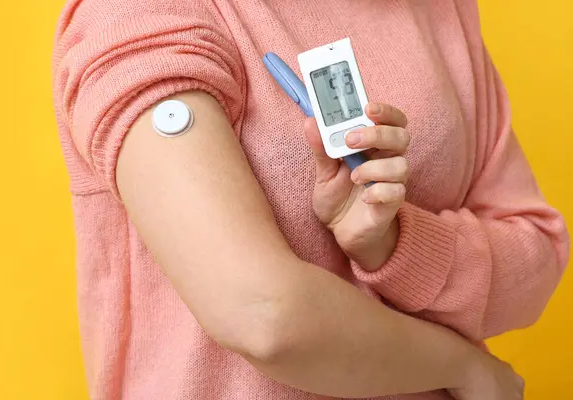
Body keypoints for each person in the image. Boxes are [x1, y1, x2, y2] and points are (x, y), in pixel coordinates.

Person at [52, 0, 569, 399]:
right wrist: (466, 368)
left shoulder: (438, 9)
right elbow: (262, 315)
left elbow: (538, 254)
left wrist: (395, 245)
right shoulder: (138, 16)